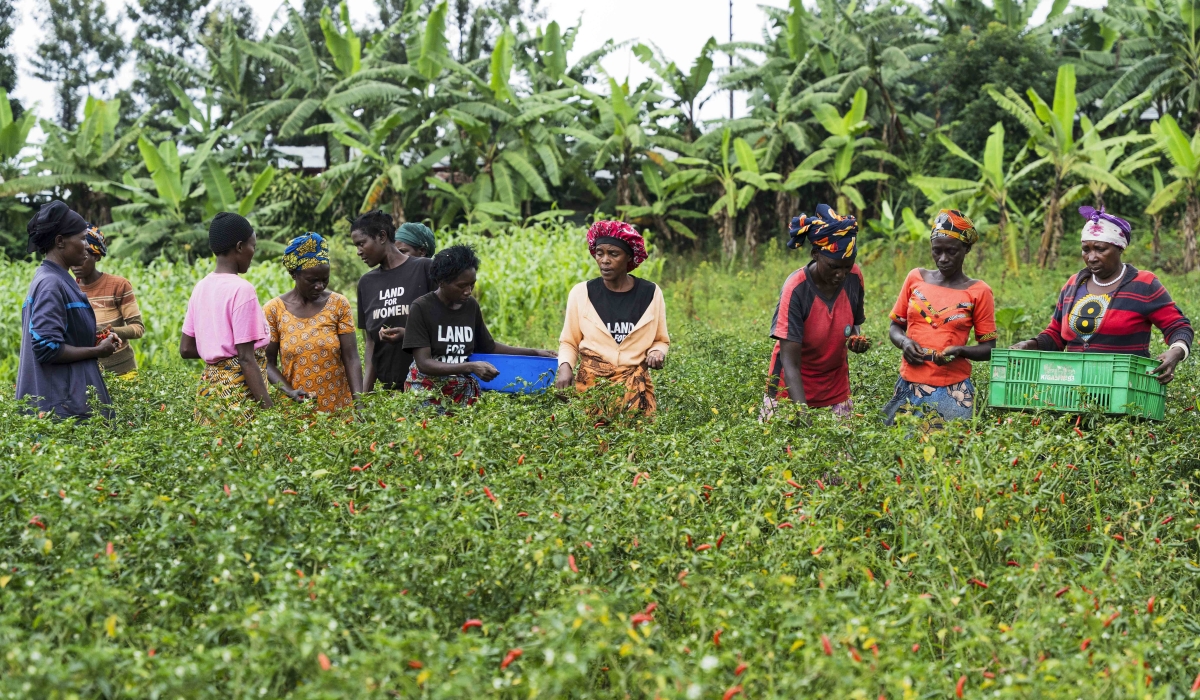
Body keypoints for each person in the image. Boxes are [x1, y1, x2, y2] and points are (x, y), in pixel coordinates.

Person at [1011, 206, 1192, 382]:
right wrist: (1030, 344)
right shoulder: (1073, 284)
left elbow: (1178, 326)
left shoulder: (1143, 284)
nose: (1091, 257)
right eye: (1086, 249)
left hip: (1124, 389)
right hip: (1074, 390)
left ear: (1120, 248)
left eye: (1100, 249)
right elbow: (1056, 335)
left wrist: (1176, 351)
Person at [883, 210, 997, 427]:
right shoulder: (915, 278)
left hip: (951, 391)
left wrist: (960, 351)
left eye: (951, 252)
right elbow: (895, 327)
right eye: (937, 251)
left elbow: (989, 348)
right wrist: (904, 342)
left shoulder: (979, 291)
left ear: (966, 249)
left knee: (945, 456)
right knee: (898, 453)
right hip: (908, 385)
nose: (943, 259)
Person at [402, 245, 554, 408]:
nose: (468, 291)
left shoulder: (470, 306)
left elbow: (489, 347)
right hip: (426, 392)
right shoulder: (421, 308)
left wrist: (534, 352)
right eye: (461, 286)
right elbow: (424, 363)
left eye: (472, 285)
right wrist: (470, 366)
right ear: (441, 282)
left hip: (461, 391)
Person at [762, 204, 871, 422]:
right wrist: (801, 413)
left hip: (835, 388)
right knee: (787, 453)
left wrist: (854, 340)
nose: (841, 274)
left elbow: (853, 325)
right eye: (833, 267)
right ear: (815, 254)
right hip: (789, 391)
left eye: (847, 266)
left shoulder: (854, 278)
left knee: (841, 454)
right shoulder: (796, 289)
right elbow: (789, 362)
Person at [555, 220, 670, 414]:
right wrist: (565, 368)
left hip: (636, 392)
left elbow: (661, 340)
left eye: (613, 254)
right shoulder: (581, 293)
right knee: (592, 442)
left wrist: (656, 353)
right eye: (600, 253)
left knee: (637, 442)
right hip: (591, 391)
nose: (604, 260)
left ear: (629, 257)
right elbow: (569, 341)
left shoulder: (650, 293)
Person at [17, 201, 116, 419]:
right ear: (60, 241)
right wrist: (98, 351)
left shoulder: (59, 280)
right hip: (62, 408)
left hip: (66, 404)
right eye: (82, 238)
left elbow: (62, 334)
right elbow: (47, 347)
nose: (87, 246)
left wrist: (96, 339)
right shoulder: (51, 283)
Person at [179, 212, 272, 424]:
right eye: (253, 247)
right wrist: (270, 413)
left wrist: (217, 353)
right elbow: (246, 358)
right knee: (246, 452)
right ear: (240, 247)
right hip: (237, 392)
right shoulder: (242, 289)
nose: (253, 253)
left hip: (209, 391)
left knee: (213, 451)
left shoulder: (201, 287)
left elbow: (185, 349)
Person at [264, 232, 364, 412]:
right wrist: (289, 391)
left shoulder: (338, 304)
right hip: (297, 411)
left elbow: (351, 357)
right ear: (294, 274)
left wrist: (359, 404)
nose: (319, 286)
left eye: (325, 279)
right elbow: (267, 362)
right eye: (312, 280)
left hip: (340, 410)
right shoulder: (274, 310)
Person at [353, 211, 434, 391]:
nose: (358, 251)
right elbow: (371, 343)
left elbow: (445, 325)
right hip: (389, 393)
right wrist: (364, 396)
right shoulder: (366, 283)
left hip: (428, 386)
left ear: (382, 236)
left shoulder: (424, 268)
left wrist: (408, 335)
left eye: (361, 243)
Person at [72, 224, 144, 379]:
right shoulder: (69, 290)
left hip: (123, 371)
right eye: (73, 258)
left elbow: (138, 328)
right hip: (86, 374)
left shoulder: (118, 285)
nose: (76, 265)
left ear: (96, 256)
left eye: (83, 257)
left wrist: (109, 332)